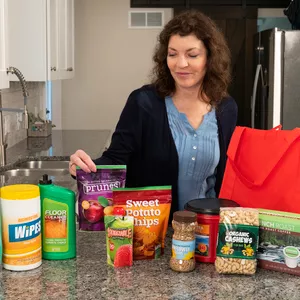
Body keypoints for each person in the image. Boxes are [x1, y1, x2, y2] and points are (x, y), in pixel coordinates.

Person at [69, 10, 237, 215]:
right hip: (153, 233)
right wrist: (85, 166)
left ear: (210, 58)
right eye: (172, 54)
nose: (180, 64)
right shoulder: (143, 103)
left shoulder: (226, 108)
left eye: (192, 55)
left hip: (207, 230)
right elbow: (115, 160)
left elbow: (227, 176)